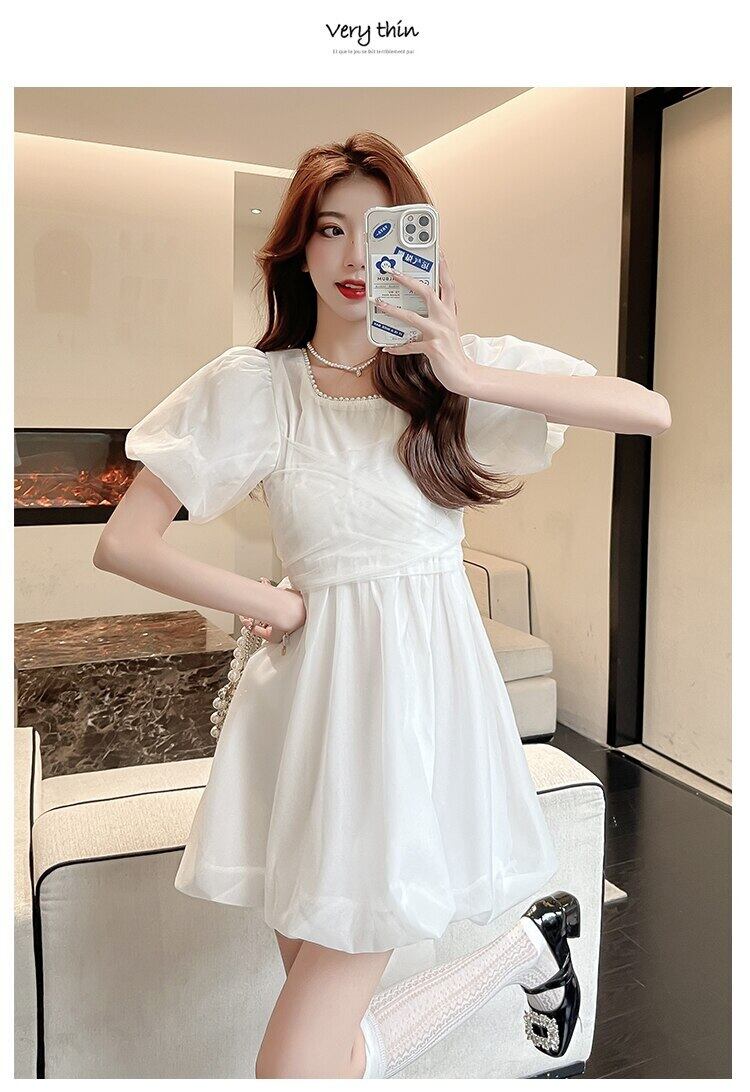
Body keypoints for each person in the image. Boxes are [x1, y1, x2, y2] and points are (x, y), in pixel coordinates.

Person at [94, 132, 671, 1079]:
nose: (356, 256)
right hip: (301, 718)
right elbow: (124, 540)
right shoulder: (258, 388)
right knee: (329, 1040)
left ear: (421, 246)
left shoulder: (452, 379)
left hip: (414, 722)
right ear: (298, 250)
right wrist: (271, 602)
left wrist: (466, 372)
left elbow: (648, 409)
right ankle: (529, 951)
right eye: (330, 229)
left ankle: (527, 950)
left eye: (381, 230)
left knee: (298, 1061)